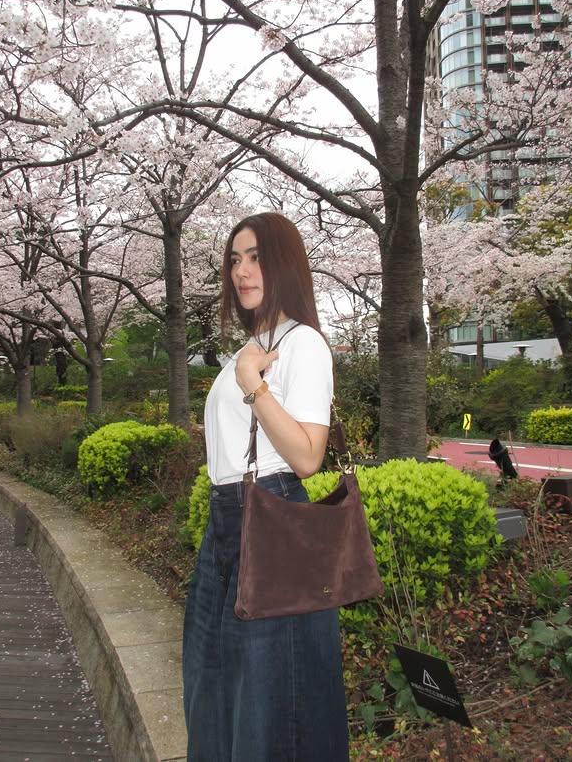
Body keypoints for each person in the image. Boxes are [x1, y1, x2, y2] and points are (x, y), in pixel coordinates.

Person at [182, 212, 349, 762]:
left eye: (255, 258)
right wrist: (245, 377)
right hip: (225, 525)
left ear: (283, 264)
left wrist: (253, 386)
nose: (242, 271)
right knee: (211, 686)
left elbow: (307, 456)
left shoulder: (304, 344)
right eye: (235, 260)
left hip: (273, 521)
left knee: (268, 698)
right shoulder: (248, 347)